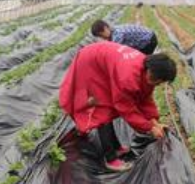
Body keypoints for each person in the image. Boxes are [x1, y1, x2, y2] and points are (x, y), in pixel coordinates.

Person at [59, 41, 177, 172]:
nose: (156, 83)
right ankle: (110, 158)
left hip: (102, 60)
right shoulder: (128, 77)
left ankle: (116, 146)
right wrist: (149, 128)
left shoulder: (148, 69)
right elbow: (126, 108)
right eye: (155, 79)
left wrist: (155, 121)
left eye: (159, 82)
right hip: (90, 63)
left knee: (108, 105)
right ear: (149, 69)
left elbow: (145, 99)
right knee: (103, 109)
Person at [91, 19, 159, 55]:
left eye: (101, 35)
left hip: (149, 40)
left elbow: (114, 51)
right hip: (144, 40)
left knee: (142, 60)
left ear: (105, 28)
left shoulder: (118, 34)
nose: (102, 38)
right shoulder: (113, 31)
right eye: (100, 36)